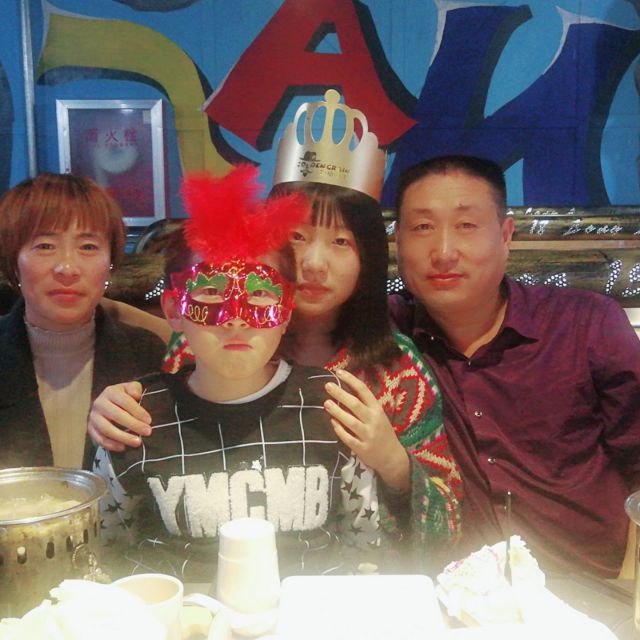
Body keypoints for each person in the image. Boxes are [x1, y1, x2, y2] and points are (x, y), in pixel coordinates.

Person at [89, 92, 462, 568]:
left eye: (341, 241)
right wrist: (112, 412)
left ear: (367, 258)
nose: (314, 263)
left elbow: (448, 526)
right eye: (297, 237)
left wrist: (393, 462)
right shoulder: (202, 342)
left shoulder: (397, 371)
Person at [95, 165, 408, 580]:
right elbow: (107, 554)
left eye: (260, 295)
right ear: (174, 308)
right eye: (211, 292)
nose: (236, 318)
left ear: (286, 309)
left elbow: (366, 548)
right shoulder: (138, 421)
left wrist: (396, 463)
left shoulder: (333, 406)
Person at [388, 154, 640, 578]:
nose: (444, 252)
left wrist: (630, 590)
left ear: (506, 235)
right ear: (398, 241)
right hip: (457, 593)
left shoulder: (586, 324)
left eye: (466, 225)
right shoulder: (388, 335)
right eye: (423, 227)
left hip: (592, 584)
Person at [0, 173, 166, 470]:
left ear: (110, 263)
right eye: (45, 246)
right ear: (14, 262)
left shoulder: (149, 353)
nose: (67, 268)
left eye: (88, 247)